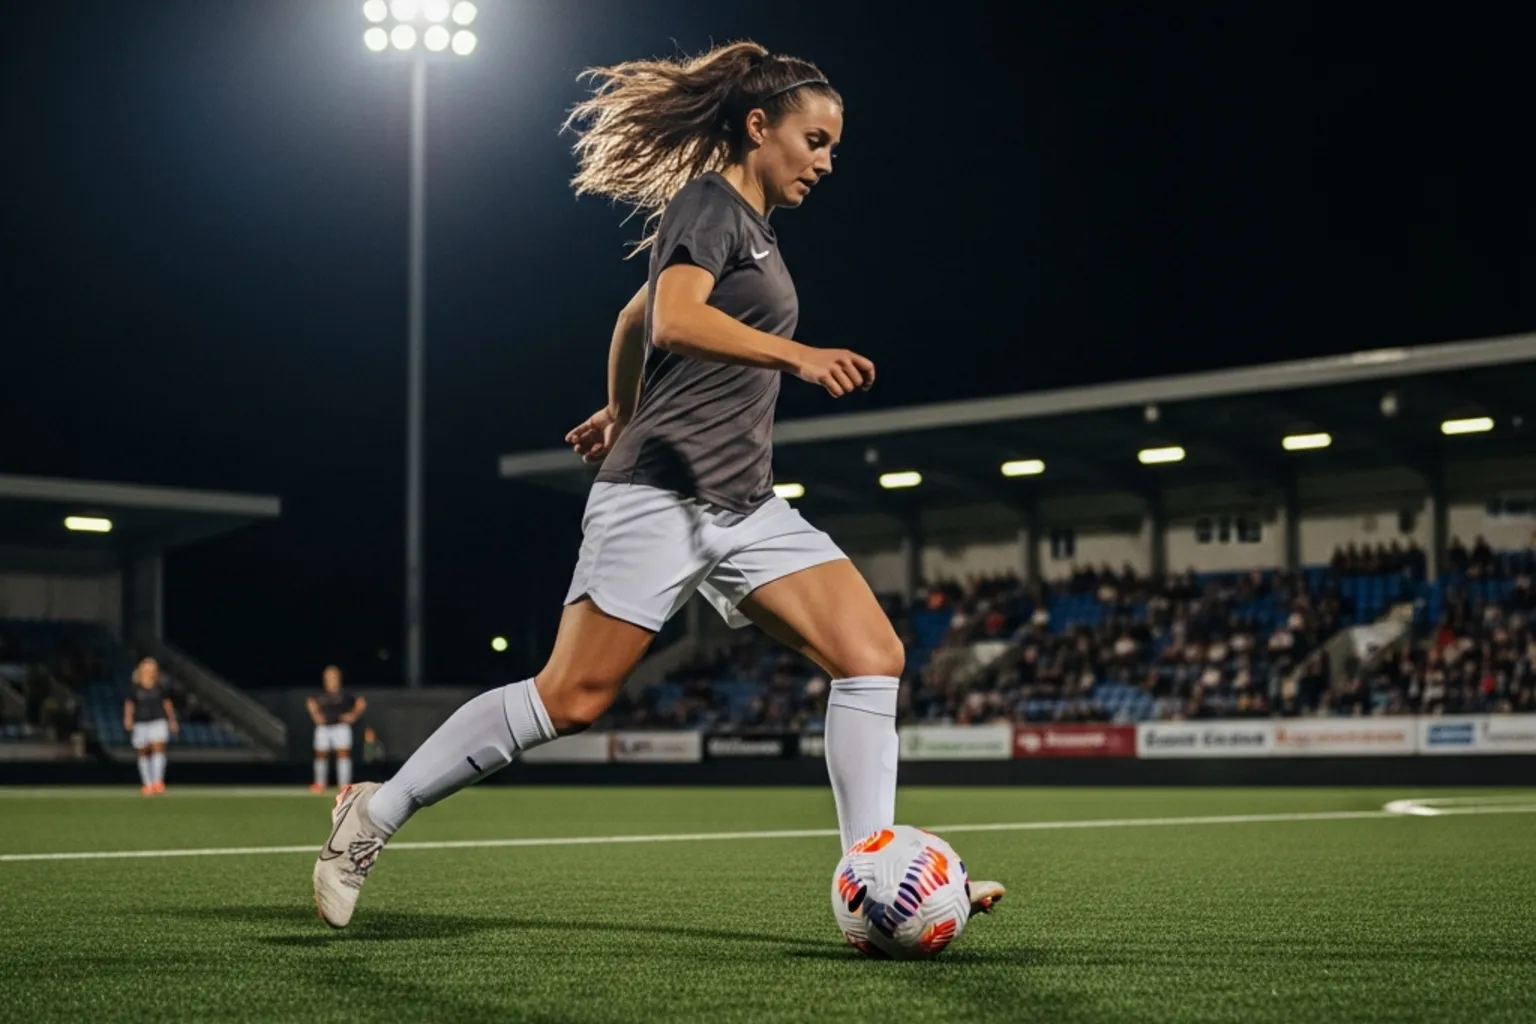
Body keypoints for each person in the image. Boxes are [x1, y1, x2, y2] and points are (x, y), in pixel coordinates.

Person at [312, 38, 1005, 931]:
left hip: (744, 504)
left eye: (834, 146)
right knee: (570, 698)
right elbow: (674, 319)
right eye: (816, 141)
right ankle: (373, 813)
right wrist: (795, 355)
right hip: (662, 498)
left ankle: (871, 883)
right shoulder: (709, 204)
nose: (828, 161)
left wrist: (615, 407)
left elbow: (635, 317)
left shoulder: (751, 229)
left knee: (872, 657)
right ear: (760, 127)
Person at [307, 665, 366, 792]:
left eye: (333, 676)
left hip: (341, 726)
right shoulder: (320, 694)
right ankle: (320, 783)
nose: (331, 679)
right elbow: (310, 702)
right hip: (324, 727)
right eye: (328, 676)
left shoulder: (345, 694)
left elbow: (361, 703)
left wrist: (353, 716)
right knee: (320, 754)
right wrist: (316, 716)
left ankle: (344, 785)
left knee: (343, 755)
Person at [123, 657, 177, 795]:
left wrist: (172, 720)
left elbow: (167, 704)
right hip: (141, 722)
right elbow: (129, 704)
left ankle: (158, 781)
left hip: (158, 721)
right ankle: (147, 783)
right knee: (144, 752)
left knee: (158, 748)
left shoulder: (161, 687)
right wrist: (128, 719)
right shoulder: (134, 688)